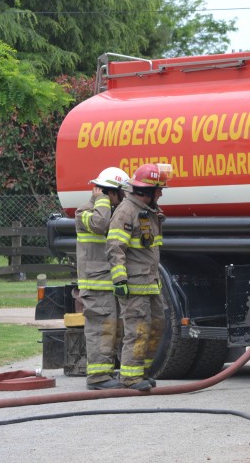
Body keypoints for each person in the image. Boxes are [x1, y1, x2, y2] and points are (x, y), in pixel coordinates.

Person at [106, 162, 172, 391]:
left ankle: (141, 372)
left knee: (157, 326)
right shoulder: (126, 211)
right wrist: (120, 280)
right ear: (146, 191)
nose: (161, 193)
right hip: (134, 286)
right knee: (137, 329)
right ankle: (130, 377)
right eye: (158, 189)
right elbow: (115, 248)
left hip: (150, 282)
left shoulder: (147, 212)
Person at [77, 166, 130, 390]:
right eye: (121, 193)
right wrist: (102, 201)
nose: (124, 198)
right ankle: (98, 377)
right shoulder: (85, 212)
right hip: (95, 284)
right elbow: (100, 226)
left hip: (107, 283)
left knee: (113, 329)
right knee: (101, 328)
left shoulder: (111, 211)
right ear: (109, 192)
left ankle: (107, 373)